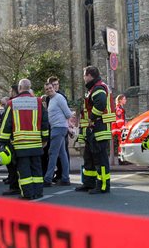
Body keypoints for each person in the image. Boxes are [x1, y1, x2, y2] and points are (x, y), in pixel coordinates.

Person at [0, 78, 49, 199]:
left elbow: (6, 124)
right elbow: (45, 123)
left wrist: (3, 142)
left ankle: (28, 194)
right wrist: (45, 139)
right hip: (36, 143)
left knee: (24, 170)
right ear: (29, 87)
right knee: (37, 169)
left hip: (20, 144)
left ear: (20, 88)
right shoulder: (38, 102)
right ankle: (38, 192)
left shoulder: (12, 103)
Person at [77, 66, 116, 194]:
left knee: (100, 159)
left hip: (99, 129)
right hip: (94, 129)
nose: (83, 78)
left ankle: (103, 185)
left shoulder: (98, 88)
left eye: (84, 75)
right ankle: (89, 183)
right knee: (89, 157)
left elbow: (100, 104)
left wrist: (91, 119)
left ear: (89, 75)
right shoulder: (93, 88)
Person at [44, 76, 73, 186]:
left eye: (50, 88)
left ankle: (47, 179)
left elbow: (68, 113)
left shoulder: (59, 98)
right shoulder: (51, 99)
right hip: (58, 128)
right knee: (62, 154)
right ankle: (65, 178)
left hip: (58, 128)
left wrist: (68, 126)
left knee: (52, 153)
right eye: (47, 89)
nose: (49, 90)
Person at [112, 93, 128, 165]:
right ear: (120, 100)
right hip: (120, 129)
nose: (126, 100)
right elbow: (119, 120)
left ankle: (122, 159)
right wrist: (123, 127)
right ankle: (121, 160)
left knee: (121, 144)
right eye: (124, 99)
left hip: (119, 129)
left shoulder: (119, 108)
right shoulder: (119, 109)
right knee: (121, 144)